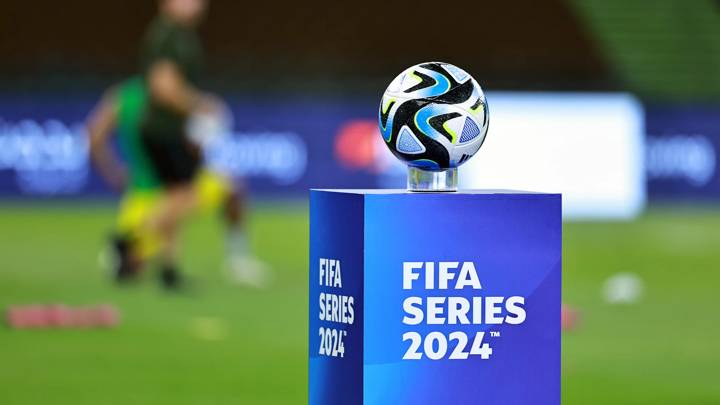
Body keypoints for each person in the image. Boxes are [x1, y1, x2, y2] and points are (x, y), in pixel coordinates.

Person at [86, 0, 269, 288]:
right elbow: (164, 89)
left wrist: (113, 172)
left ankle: (169, 270)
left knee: (185, 192)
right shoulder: (165, 42)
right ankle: (130, 240)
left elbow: (94, 135)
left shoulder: (134, 85)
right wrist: (201, 106)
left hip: (150, 177)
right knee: (184, 196)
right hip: (148, 186)